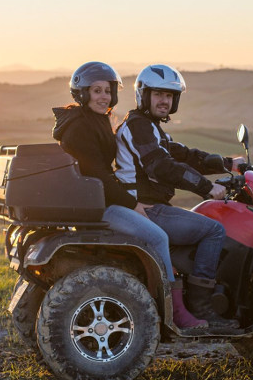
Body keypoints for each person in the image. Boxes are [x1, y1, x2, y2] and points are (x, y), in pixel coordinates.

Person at [51, 61, 206, 329]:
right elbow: (99, 174)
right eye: (96, 91)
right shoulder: (79, 128)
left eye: (108, 91)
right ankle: (175, 311)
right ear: (83, 94)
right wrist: (133, 205)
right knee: (157, 237)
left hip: (100, 200)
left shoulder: (93, 120)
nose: (104, 97)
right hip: (101, 205)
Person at [115, 64, 240, 327]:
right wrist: (207, 188)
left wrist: (227, 164)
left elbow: (184, 155)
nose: (164, 101)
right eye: (158, 94)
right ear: (144, 95)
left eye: (169, 96)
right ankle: (202, 306)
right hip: (146, 209)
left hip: (150, 206)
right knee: (214, 231)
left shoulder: (150, 127)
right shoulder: (138, 126)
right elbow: (163, 167)